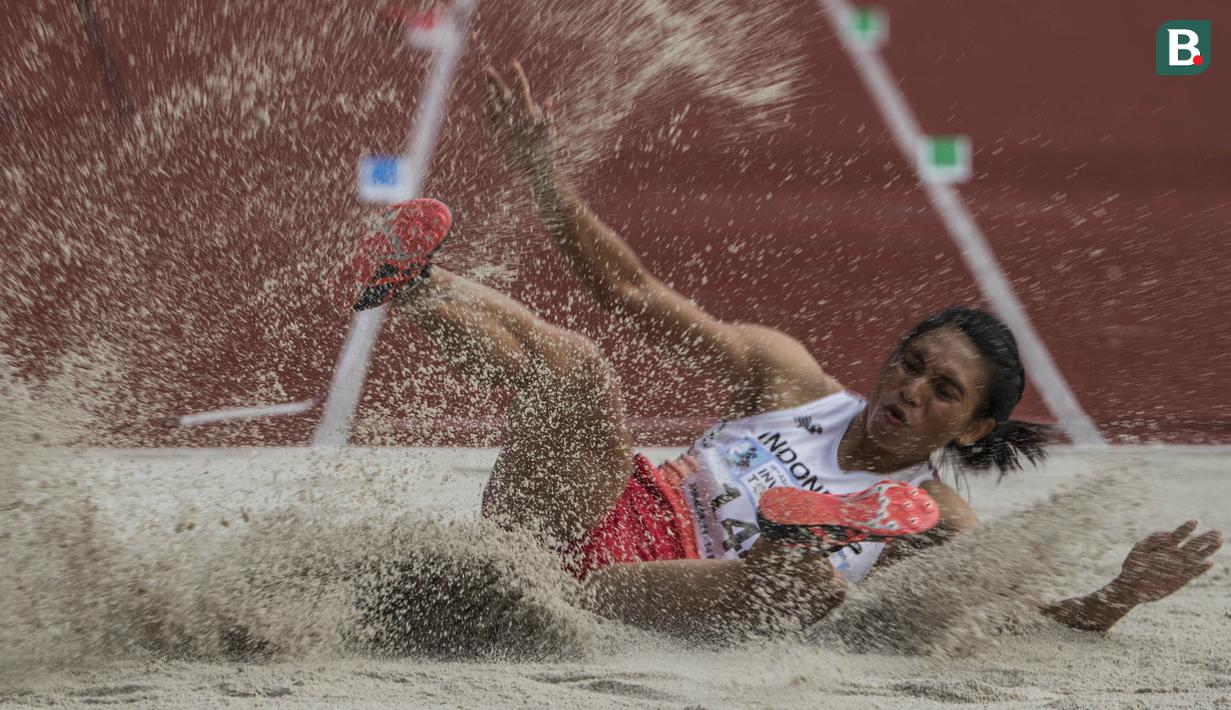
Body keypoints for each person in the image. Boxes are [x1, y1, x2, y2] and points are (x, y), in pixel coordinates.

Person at [346, 61, 1222, 637]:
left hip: (662, 595)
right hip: (592, 511)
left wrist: (1116, 598)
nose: (912, 389)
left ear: (969, 428)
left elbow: (1010, 624)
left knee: (807, 587)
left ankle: (541, 613)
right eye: (911, 363)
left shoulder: (935, 521)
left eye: (943, 392)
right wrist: (542, 173)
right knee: (581, 374)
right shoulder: (789, 378)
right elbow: (631, 294)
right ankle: (412, 284)